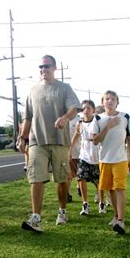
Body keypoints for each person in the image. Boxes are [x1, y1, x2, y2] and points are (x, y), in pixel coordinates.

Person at [19, 55, 80, 232]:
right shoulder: (33, 91)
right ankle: (36, 217)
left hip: (59, 141)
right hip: (37, 141)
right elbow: (27, 118)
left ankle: (62, 211)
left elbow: (74, 108)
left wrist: (65, 118)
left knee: (61, 179)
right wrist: (22, 138)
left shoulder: (64, 88)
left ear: (54, 68)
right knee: (35, 178)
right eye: (41, 67)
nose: (43, 69)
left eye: (47, 66)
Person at [90, 90, 130, 234]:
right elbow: (95, 141)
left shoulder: (125, 117)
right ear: (102, 103)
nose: (110, 101)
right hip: (104, 160)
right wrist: (108, 126)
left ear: (117, 102)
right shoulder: (97, 118)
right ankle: (116, 215)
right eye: (107, 99)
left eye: (113, 99)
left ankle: (121, 221)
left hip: (120, 159)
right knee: (110, 189)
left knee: (120, 188)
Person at [70, 100, 100, 216]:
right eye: (83, 109)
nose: (86, 110)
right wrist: (70, 149)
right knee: (80, 177)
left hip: (96, 155)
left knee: (97, 181)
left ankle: (102, 197)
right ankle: (85, 203)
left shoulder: (97, 121)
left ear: (93, 110)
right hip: (84, 155)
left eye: (88, 108)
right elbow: (75, 137)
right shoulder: (80, 123)